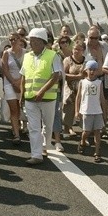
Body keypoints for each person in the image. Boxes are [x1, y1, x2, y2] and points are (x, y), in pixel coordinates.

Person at [19, 28, 63, 165]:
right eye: (30, 41)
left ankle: (45, 145)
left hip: (48, 98)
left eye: (33, 41)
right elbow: (23, 77)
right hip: (30, 98)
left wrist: (42, 91)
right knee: (33, 127)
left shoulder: (53, 55)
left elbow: (56, 76)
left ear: (41, 42)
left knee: (47, 126)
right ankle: (36, 155)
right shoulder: (27, 56)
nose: (30, 43)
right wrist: (22, 95)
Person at [75, 60, 105, 162]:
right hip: (86, 110)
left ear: (97, 71)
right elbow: (78, 97)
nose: (92, 72)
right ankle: (82, 141)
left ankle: (97, 152)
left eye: (94, 70)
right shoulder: (82, 82)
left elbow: (102, 98)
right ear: (86, 70)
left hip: (97, 111)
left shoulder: (99, 82)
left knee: (97, 131)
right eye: (90, 69)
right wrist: (77, 110)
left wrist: (104, 112)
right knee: (86, 131)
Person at [0, 32, 25, 144]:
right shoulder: (6, 53)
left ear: (20, 40)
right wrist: (13, 82)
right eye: (11, 40)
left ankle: (19, 125)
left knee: (20, 107)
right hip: (9, 82)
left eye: (15, 39)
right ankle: (16, 134)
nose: (13, 41)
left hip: (22, 82)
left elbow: (27, 69)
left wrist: (19, 81)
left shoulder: (26, 53)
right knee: (13, 109)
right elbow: (4, 69)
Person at [62, 38, 86, 138]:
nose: (76, 51)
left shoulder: (86, 61)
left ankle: (83, 132)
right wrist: (77, 77)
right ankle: (66, 129)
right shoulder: (68, 60)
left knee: (82, 109)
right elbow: (63, 74)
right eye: (75, 49)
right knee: (68, 108)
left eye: (79, 49)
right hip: (70, 87)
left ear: (83, 51)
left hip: (82, 89)